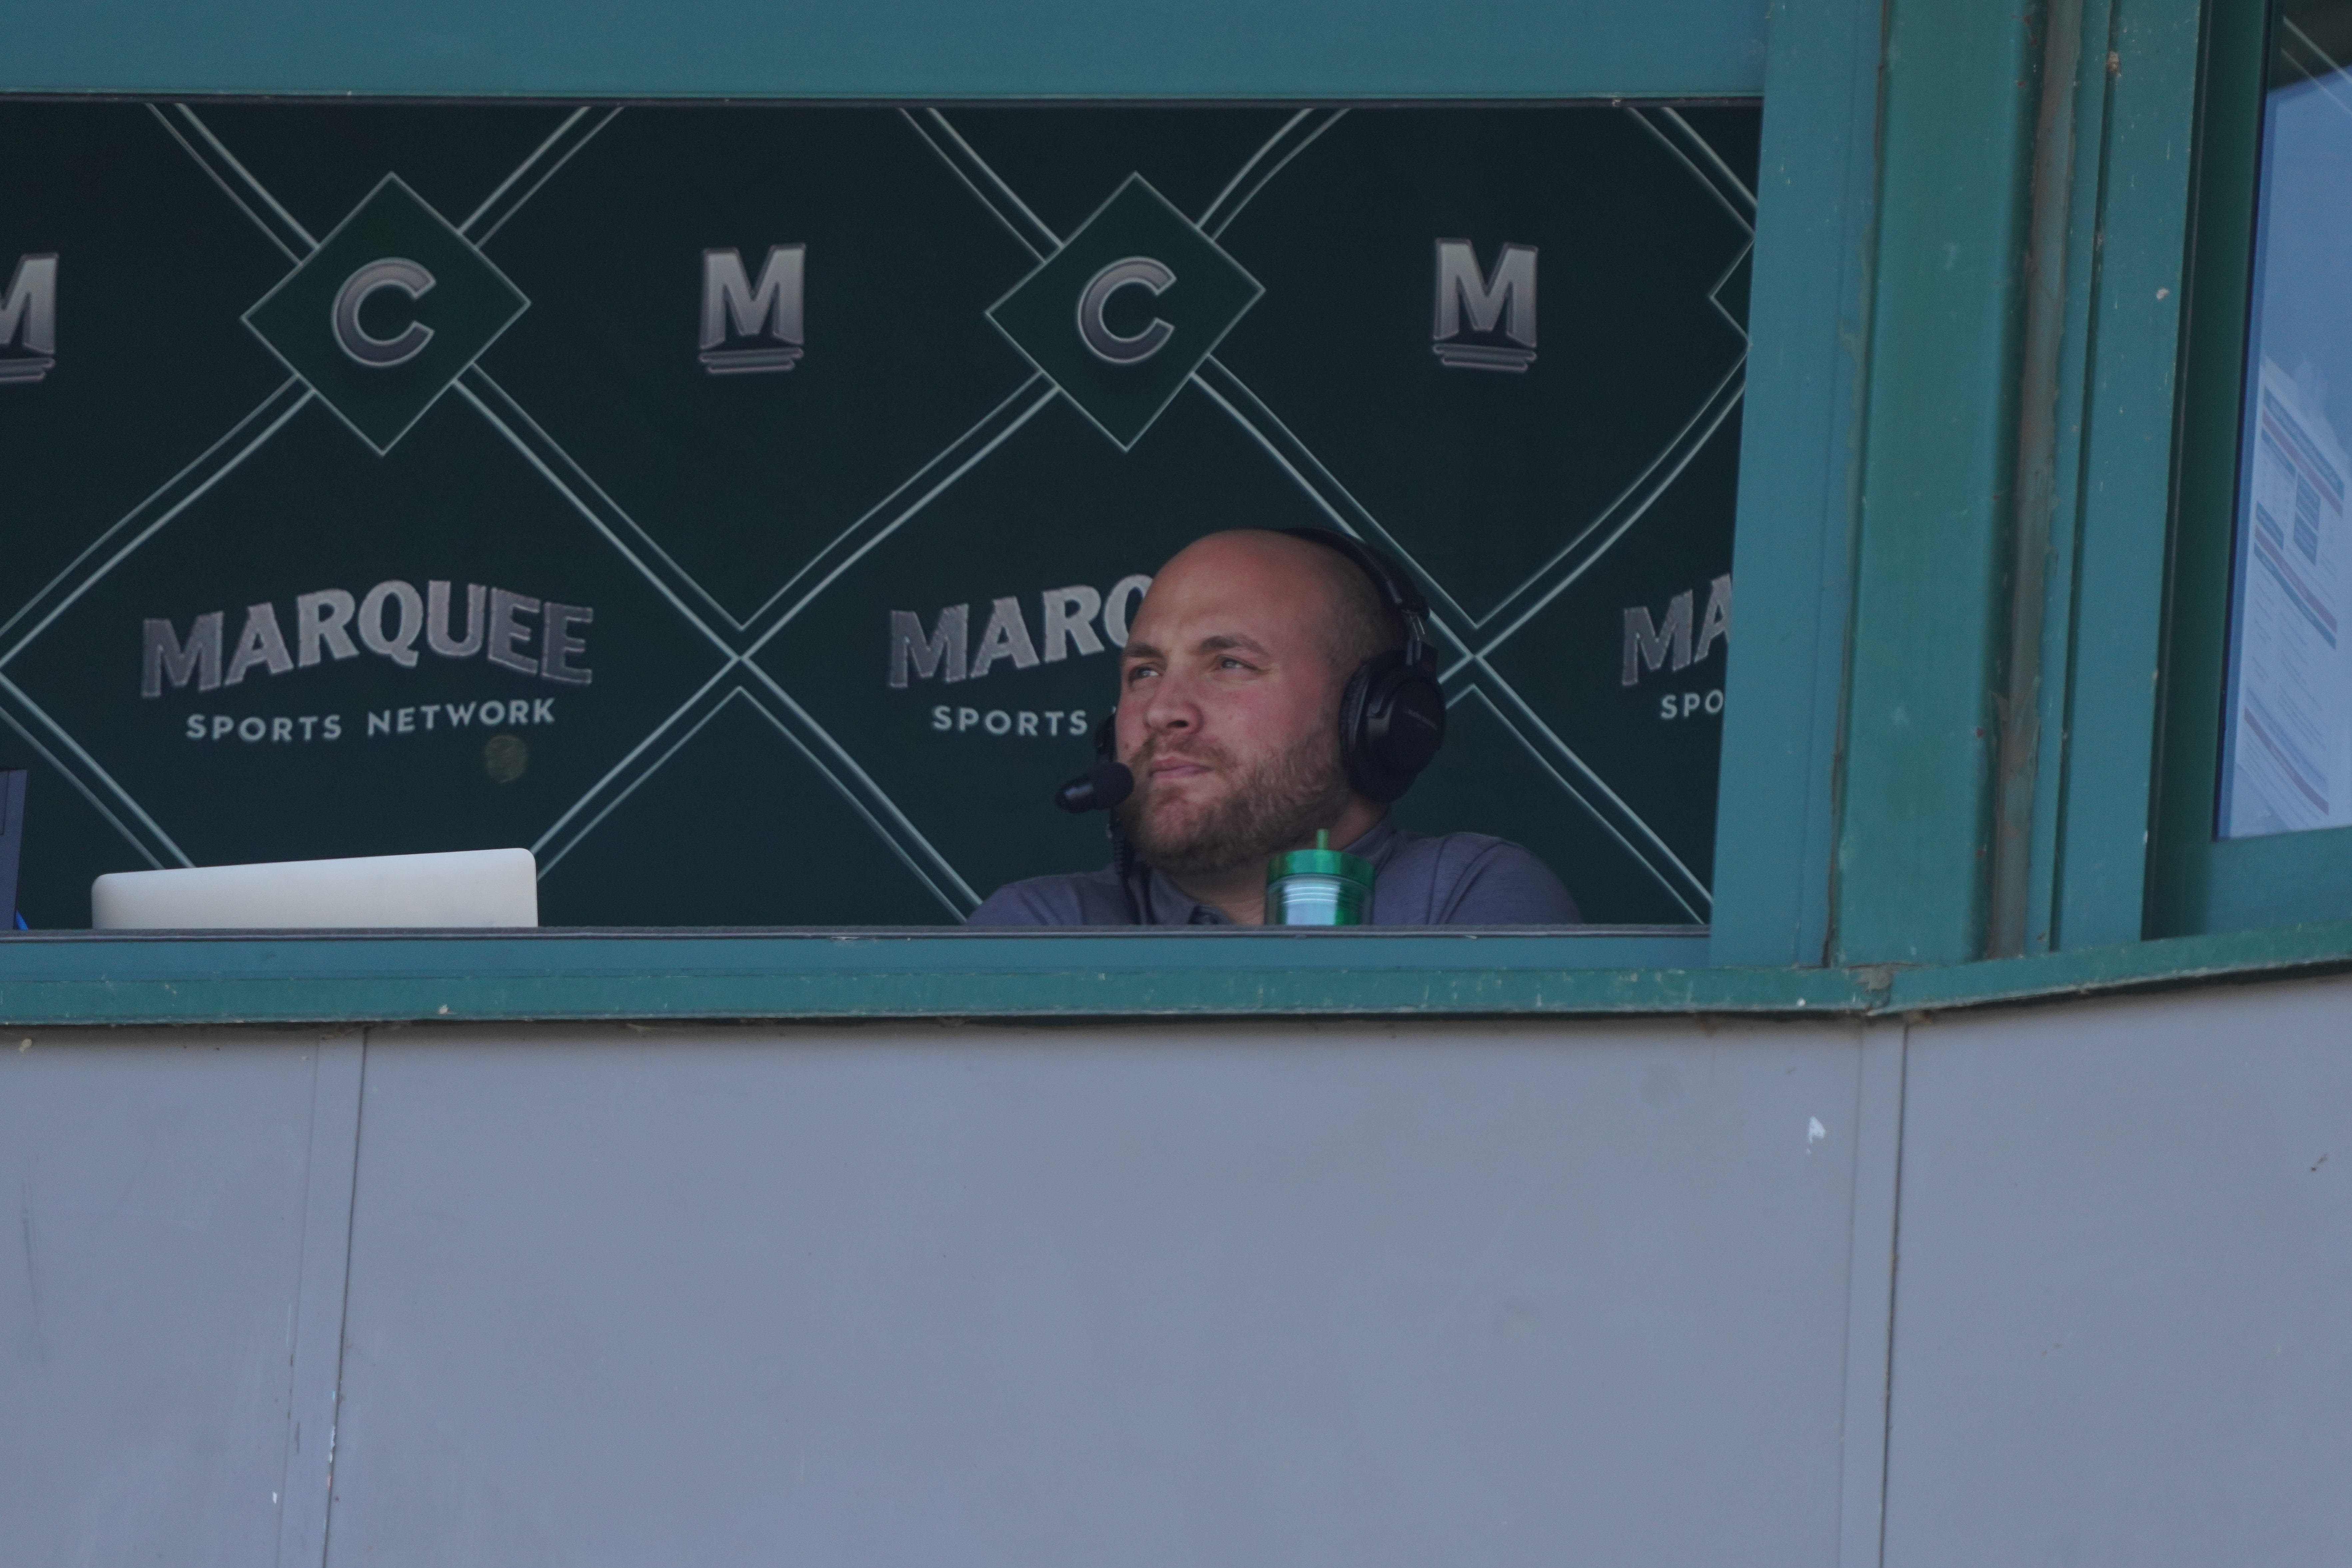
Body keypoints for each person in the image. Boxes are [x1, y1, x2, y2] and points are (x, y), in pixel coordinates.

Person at [969, 529, 1579, 926]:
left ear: (1376, 717)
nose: (1162, 711)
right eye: (1145, 672)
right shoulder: (1039, 927)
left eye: (1230, 664)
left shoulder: (1463, 895)